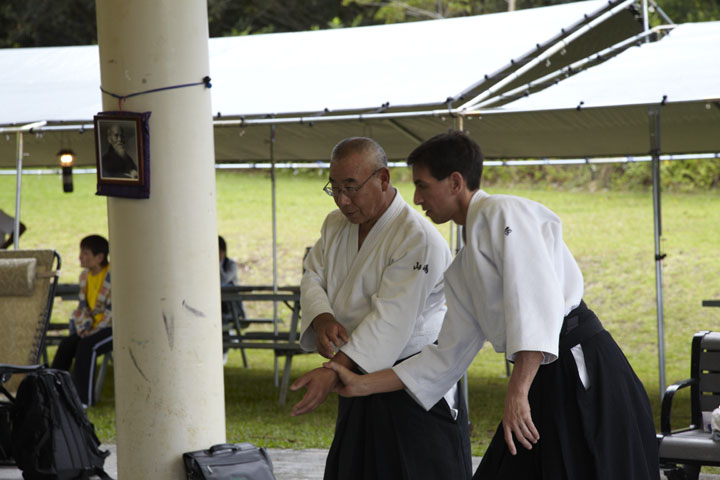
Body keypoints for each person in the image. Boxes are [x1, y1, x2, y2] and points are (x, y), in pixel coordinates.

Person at [325, 132, 660, 480]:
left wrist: (517, 393)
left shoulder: (503, 211)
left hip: (580, 368)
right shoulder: (464, 267)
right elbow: (447, 356)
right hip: (538, 377)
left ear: (455, 182)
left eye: (423, 186)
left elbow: (537, 301)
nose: (416, 197)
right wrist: (361, 383)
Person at [289, 137, 472, 480]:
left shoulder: (417, 237)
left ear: (383, 179)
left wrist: (332, 371)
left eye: (352, 188)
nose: (343, 200)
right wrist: (322, 316)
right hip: (355, 373)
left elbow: (391, 320)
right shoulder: (334, 225)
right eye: (335, 188)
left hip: (412, 386)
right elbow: (313, 275)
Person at [52, 235, 112, 407]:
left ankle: (83, 400)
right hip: (91, 327)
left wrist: (93, 331)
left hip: (111, 328)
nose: (80, 257)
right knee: (67, 344)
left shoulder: (112, 276)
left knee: (87, 347)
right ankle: (54, 391)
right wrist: (84, 327)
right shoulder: (84, 277)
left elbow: (113, 311)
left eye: (85, 253)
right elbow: (83, 307)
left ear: (99, 257)